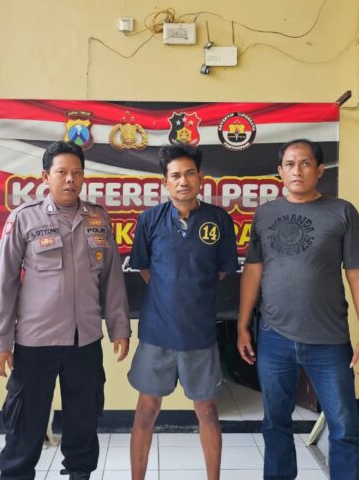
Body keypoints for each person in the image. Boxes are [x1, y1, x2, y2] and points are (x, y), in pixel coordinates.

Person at [0, 141, 131, 480]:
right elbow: (5, 282)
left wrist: (120, 328)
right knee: (26, 424)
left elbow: (112, 279)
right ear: (45, 177)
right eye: (62, 172)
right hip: (36, 342)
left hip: (85, 341)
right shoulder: (24, 218)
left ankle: (80, 475)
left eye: (77, 173)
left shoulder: (98, 218)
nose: (70, 179)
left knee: (84, 421)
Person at [237, 139, 359, 480]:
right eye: (289, 164)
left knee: (344, 427)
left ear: (320, 170)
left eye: (304, 163)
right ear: (279, 171)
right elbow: (253, 271)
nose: (296, 170)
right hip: (274, 338)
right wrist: (242, 324)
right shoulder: (265, 214)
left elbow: (358, 274)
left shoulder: (342, 212)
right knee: (275, 423)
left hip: (329, 340)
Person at [128, 144, 238, 480]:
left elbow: (222, 271)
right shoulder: (150, 220)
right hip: (156, 333)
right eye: (175, 175)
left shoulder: (219, 220)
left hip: (199, 334)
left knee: (208, 411)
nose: (183, 181)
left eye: (190, 173)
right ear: (165, 181)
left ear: (200, 177)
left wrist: (190, 290)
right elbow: (144, 269)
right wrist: (171, 292)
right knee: (146, 411)